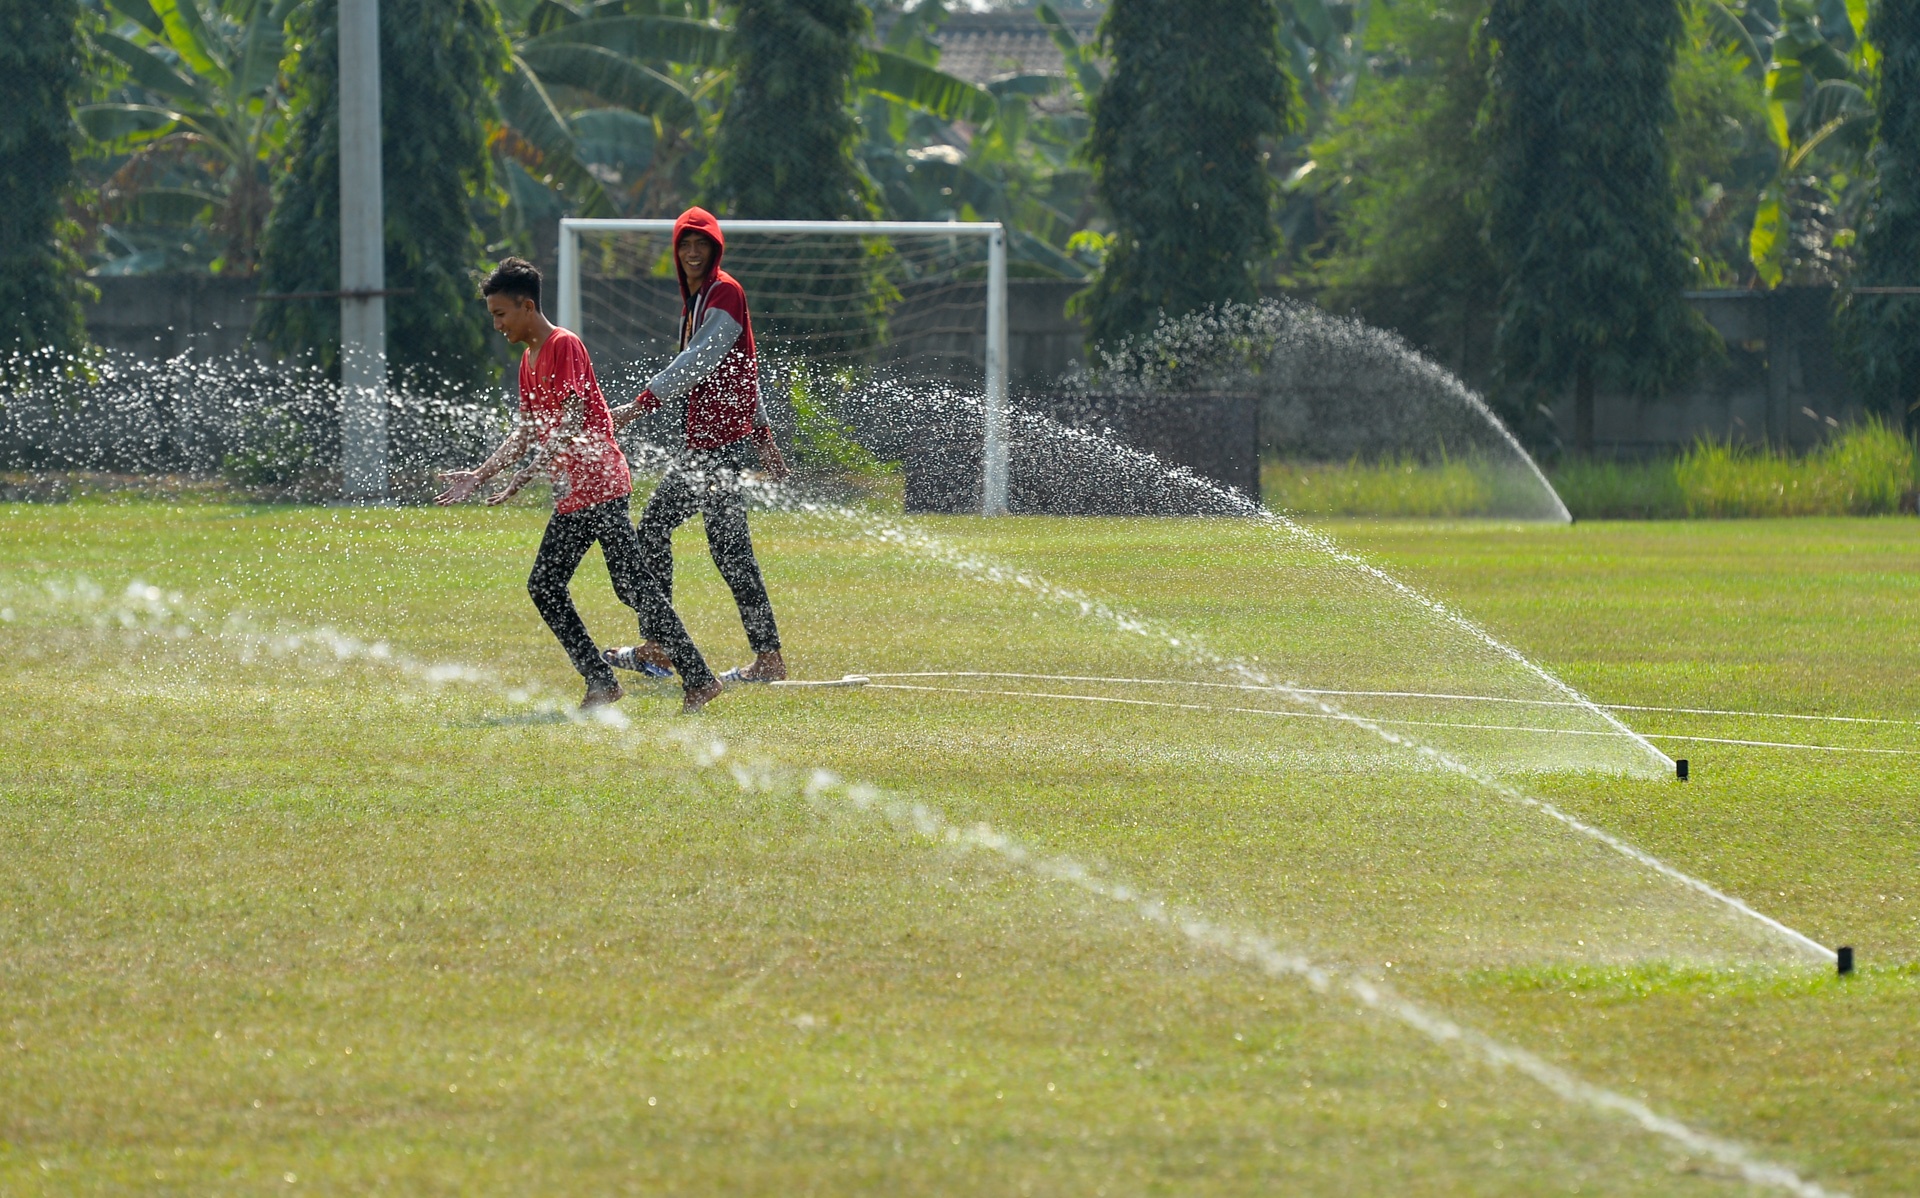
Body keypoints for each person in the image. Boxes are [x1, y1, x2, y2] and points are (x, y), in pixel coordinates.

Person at [436, 257, 724, 714]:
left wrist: (534, 468)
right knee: (547, 585)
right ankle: (603, 682)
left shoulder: (563, 344)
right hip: (575, 495)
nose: (496, 324)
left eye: (500, 314)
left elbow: (571, 416)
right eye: (492, 315)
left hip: (603, 485)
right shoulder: (527, 363)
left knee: (630, 587)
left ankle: (698, 679)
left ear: (526, 306)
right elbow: (526, 432)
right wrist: (479, 475)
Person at [606, 206, 791, 685]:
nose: (692, 252)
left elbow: (701, 361)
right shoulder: (701, 300)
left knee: (654, 528)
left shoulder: (724, 292)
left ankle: (660, 645)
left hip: (716, 448)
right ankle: (764, 658)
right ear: (676, 249)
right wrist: (764, 435)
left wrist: (639, 404)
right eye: (685, 244)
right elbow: (742, 372)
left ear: (715, 249)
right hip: (716, 444)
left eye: (701, 244)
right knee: (730, 552)